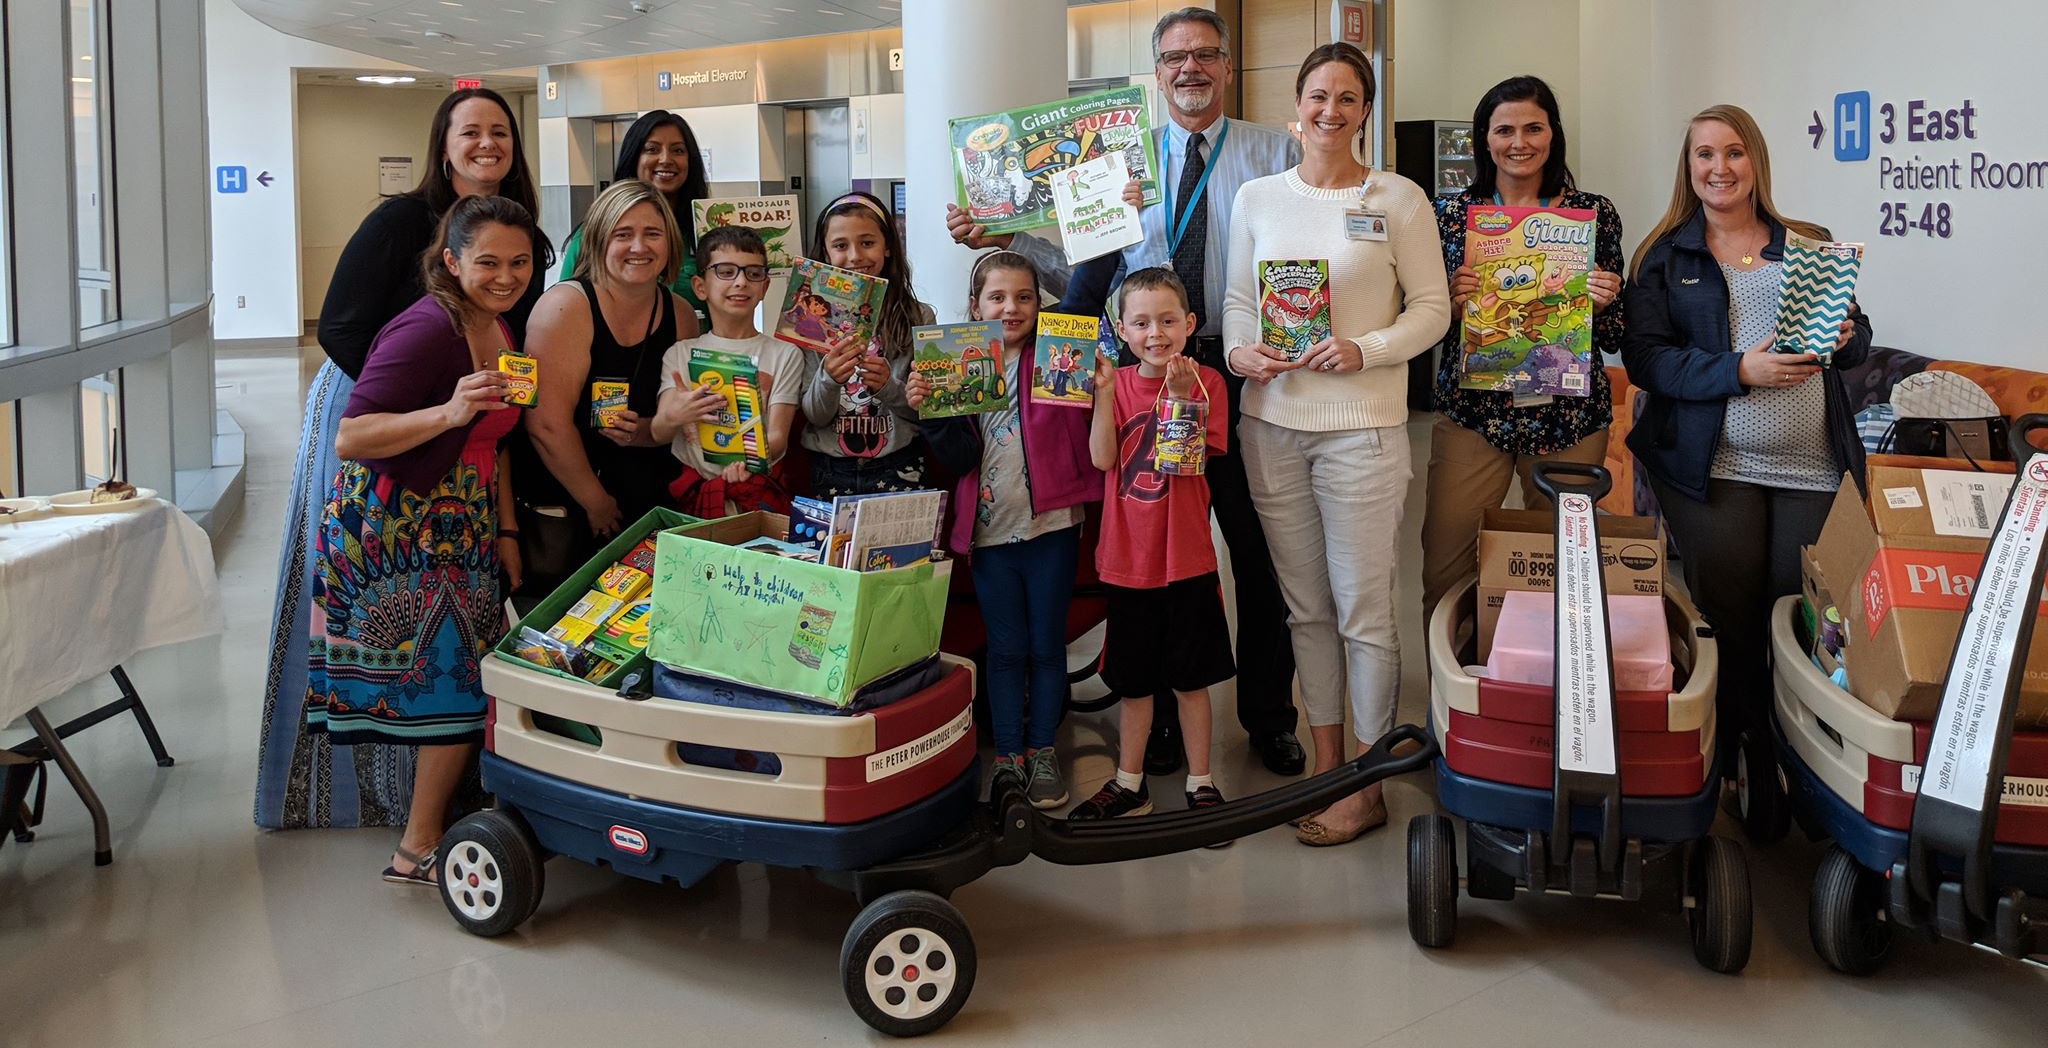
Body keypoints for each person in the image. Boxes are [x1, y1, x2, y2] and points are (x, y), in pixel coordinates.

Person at [947, 5, 1307, 779]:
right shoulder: (1113, 160)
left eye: (1206, 54)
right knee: (1149, 554)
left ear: (1227, 65)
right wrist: (1003, 240)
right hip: (1138, 379)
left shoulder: (1275, 151)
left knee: (1255, 548)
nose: (1190, 68)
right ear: (1157, 71)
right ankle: (1162, 717)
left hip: (1241, 373)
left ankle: (1270, 714)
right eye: (1175, 57)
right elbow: (1074, 275)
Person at [257, 87, 544, 830]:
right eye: (470, 132)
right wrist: (426, 391)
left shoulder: (510, 245)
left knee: (445, 658)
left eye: (501, 132)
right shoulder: (400, 231)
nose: (487, 144)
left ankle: (426, 809)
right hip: (381, 420)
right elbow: (346, 329)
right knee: (384, 640)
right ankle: (383, 813)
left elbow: (501, 376)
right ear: (441, 145)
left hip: (459, 448)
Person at [1219, 43, 1450, 845]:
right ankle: (1325, 764)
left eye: (1348, 98)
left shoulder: (1399, 198)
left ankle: (1369, 774)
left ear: (1365, 109)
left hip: (1363, 432)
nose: (1330, 110)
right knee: (1304, 610)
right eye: (1319, 95)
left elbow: (1432, 308)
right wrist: (1239, 352)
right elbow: (1238, 300)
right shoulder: (1256, 196)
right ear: (1298, 101)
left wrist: (1367, 349)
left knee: (1363, 611)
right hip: (1271, 426)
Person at [1621, 103, 1871, 768]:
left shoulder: (1808, 241)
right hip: (1713, 468)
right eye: (1705, 154)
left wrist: (1848, 337)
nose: (1720, 167)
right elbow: (1645, 361)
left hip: (1813, 468)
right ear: (1689, 167)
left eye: (1733, 152)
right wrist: (1740, 369)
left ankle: (1797, 754)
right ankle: (1740, 753)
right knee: (1731, 621)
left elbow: (1854, 342)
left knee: (1799, 620)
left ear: (1755, 161)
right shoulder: (1664, 256)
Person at [308, 195, 544, 883]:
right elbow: (352, 437)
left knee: (462, 685)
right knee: (455, 689)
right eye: (489, 262)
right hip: (397, 529)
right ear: (451, 261)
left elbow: (493, 443)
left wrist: (503, 527)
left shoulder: (495, 325)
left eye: (521, 262)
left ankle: (419, 838)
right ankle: (416, 847)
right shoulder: (423, 329)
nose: (507, 275)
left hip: (460, 520)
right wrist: (448, 410)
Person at [1420, 76, 1627, 618]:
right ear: (1483, 140)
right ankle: (1453, 697)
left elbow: (1613, 334)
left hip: (1569, 418)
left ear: (1553, 134)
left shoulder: (1592, 214)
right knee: (1446, 568)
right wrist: (1451, 305)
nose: (1519, 142)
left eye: (1533, 127)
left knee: (1565, 571)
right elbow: (1423, 322)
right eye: (1504, 129)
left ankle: (1554, 692)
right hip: (1474, 413)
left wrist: (1605, 302)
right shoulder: (1448, 216)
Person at [909, 251, 1101, 809]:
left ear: (1040, 306)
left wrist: (1109, 220)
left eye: (1023, 297)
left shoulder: (1057, 352)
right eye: (997, 297)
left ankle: (1043, 750)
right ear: (975, 307)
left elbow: (1087, 290)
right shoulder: (959, 360)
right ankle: (1009, 756)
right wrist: (932, 412)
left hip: (1053, 529)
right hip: (990, 537)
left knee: (1047, 647)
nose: (1011, 308)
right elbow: (962, 455)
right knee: (1007, 649)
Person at [1071, 268, 1235, 825]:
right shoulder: (1114, 384)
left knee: (1191, 680)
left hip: (1186, 559)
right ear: (1121, 328)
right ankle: (1128, 780)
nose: (1155, 334)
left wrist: (1183, 397)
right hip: (1127, 560)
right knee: (1135, 683)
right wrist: (1099, 396)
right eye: (1141, 323)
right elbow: (1100, 460)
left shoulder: (1207, 382)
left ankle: (1201, 780)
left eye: (1167, 321)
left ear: (1190, 324)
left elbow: (1181, 460)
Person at [521, 180, 702, 573]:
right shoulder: (566, 306)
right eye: (624, 234)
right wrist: (596, 502)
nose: (639, 247)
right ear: (599, 240)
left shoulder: (681, 313)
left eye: (652, 234)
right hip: (574, 502)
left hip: (651, 502)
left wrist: (648, 429)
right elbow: (546, 425)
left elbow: (677, 418)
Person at [650, 225, 805, 516]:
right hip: (695, 494)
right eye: (725, 271)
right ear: (700, 286)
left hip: (759, 489)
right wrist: (676, 414)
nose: (741, 282)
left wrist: (748, 461)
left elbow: (778, 437)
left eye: (753, 273)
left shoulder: (784, 354)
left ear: (765, 287)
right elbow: (659, 431)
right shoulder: (680, 354)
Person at [797, 192, 937, 496]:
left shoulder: (917, 316)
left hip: (899, 467)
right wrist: (829, 379)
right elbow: (814, 415)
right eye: (840, 245)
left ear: (887, 247)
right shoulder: (811, 319)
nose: (855, 256)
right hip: (830, 470)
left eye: (867, 242)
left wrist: (889, 386)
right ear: (825, 252)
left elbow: (926, 410)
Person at [557, 110, 711, 317]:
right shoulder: (593, 233)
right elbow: (565, 305)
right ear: (634, 157)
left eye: (678, 151)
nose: (666, 159)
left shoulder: (707, 233)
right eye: (652, 149)